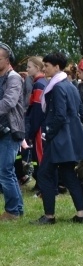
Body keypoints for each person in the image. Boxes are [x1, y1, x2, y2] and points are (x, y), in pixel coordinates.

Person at [34, 51, 83, 224]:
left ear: (57, 67)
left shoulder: (58, 87)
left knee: (44, 174)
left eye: (46, 66)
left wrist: (49, 132)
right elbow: (81, 112)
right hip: (70, 138)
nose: (44, 69)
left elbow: (59, 116)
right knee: (68, 175)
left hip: (58, 139)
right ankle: (81, 214)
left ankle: (49, 216)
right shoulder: (71, 86)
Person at [0, 42, 26, 220]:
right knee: (7, 171)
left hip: (11, 130)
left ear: (8, 60)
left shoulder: (14, 78)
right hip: (2, 130)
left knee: (4, 171)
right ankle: (18, 209)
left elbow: (9, 101)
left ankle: (12, 211)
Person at [23, 56, 47, 197]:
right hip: (41, 126)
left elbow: (37, 111)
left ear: (37, 68)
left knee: (40, 157)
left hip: (39, 128)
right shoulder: (42, 82)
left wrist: (31, 132)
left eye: (29, 67)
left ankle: (43, 187)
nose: (27, 69)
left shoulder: (38, 85)